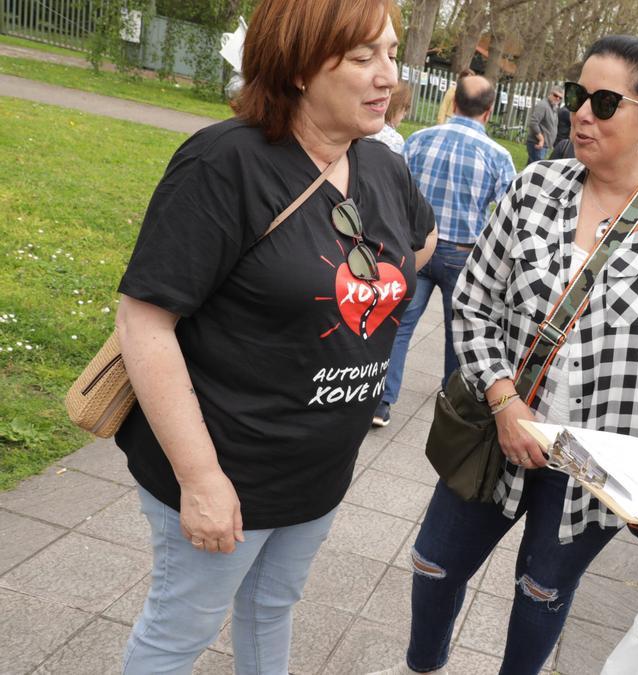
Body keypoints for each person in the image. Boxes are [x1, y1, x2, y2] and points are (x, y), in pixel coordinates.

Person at [376, 35, 638, 675]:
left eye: (603, 102)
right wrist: (504, 400)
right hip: (499, 435)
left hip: (597, 468)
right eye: (576, 96)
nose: (582, 114)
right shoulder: (535, 186)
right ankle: (423, 665)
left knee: (541, 596)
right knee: (432, 563)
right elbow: (477, 302)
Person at [114, 0, 438, 671]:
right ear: (296, 66)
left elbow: (420, 245)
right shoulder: (223, 164)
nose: (389, 77)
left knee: (271, 607)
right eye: (362, 57)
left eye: (390, 52)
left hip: (318, 470)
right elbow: (144, 323)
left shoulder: (382, 166)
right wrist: (201, 479)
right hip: (228, 464)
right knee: (181, 629)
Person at [372, 75, 516, 427]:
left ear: (454, 103)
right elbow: (513, 212)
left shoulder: (418, 140)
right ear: (489, 111)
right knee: (462, 332)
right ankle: (454, 403)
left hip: (418, 244)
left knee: (401, 325)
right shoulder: (497, 155)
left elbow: (397, 191)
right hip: (463, 253)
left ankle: (381, 402)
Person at [368, 80, 413, 155]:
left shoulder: (361, 128)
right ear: (395, 106)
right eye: (405, 107)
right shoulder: (396, 140)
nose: (405, 113)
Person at [525, 85, 563, 164]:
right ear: (550, 93)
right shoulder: (543, 105)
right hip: (537, 144)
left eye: (560, 98)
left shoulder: (553, 107)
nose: (557, 99)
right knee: (536, 170)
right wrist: (541, 139)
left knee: (531, 169)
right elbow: (533, 122)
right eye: (555, 95)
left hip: (544, 145)